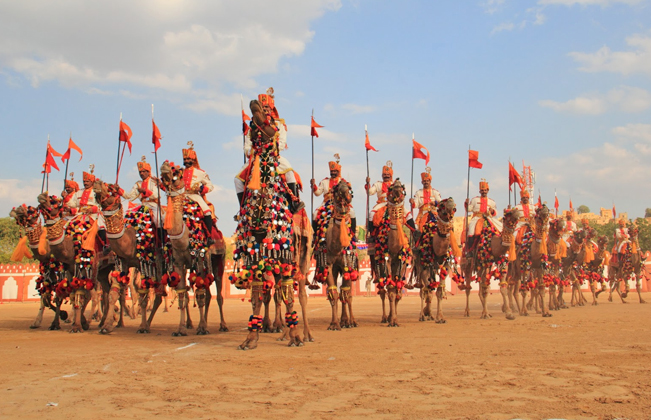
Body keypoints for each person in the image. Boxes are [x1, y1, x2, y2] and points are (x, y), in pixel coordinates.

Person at [234, 87, 301, 212]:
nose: (265, 109)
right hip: (256, 157)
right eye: (262, 107)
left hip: (274, 156)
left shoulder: (279, 124)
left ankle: (294, 203)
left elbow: (282, 143)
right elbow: (247, 146)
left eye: (266, 107)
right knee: (237, 180)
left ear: (271, 109)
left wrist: (272, 148)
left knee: (289, 173)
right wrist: (253, 151)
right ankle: (242, 208)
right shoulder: (252, 126)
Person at [63, 165, 108, 252]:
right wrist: (66, 198)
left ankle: (105, 246)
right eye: (84, 181)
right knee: (68, 226)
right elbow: (74, 204)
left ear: (92, 182)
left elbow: (100, 204)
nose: (85, 183)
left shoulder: (95, 191)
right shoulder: (79, 192)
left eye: (87, 181)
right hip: (81, 215)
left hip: (94, 215)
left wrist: (92, 209)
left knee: (101, 227)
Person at [310, 154, 356, 234]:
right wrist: (313, 185)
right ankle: (314, 235)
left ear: (338, 172)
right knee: (315, 214)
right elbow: (317, 193)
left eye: (335, 171)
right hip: (326, 203)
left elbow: (349, 193)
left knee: (352, 212)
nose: (333, 173)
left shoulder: (343, 181)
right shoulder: (324, 182)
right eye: (332, 171)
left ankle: (353, 233)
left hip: (339, 203)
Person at [181, 142, 215, 237]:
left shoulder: (200, 172)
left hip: (195, 196)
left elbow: (210, 186)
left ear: (193, 159)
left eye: (188, 159)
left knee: (207, 212)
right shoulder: (179, 172)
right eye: (185, 159)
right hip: (182, 197)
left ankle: (209, 237)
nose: (186, 161)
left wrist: (201, 188)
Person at [121, 156, 163, 228]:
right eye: (140, 172)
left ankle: (160, 234)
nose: (141, 173)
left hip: (153, 205)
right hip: (142, 205)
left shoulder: (153, 181)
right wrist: (119, 190)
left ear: (148, 172)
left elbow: (156, 195)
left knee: (158, 221)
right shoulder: (138, 184)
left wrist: (145, 191)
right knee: (130, 217)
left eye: (143, 171)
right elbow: (129, 196)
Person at [464, 179, 502, 252]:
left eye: (485, 190)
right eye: (482, 190)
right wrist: (466, 203)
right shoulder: (475, 200)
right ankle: (470, 251)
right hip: (476, 218)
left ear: (487, 191)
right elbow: (469, 209)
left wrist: (492, 211)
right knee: (471, 232)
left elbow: (495, 212)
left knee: (500, 228)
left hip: (488, 218)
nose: (484, 192)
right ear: (480, 191)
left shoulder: (492, 202)